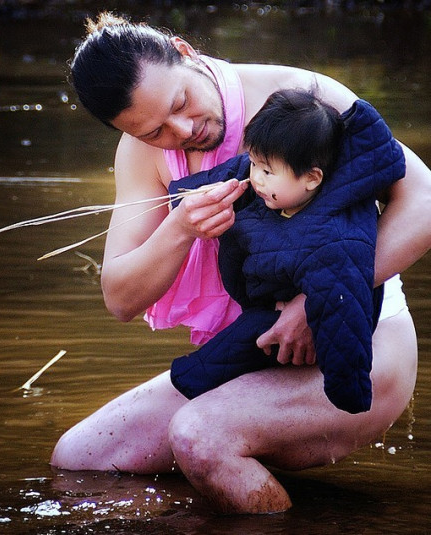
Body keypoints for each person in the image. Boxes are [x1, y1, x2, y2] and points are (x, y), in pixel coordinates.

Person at [51, 12, 429, 514]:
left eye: (181, 103)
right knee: (80, 460)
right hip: (249, 349)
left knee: (200, 437)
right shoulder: (141, 156)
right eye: (153, 132)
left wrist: (317, 300)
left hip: (363, 339)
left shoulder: (297, 95)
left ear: (184, 51)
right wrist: (180, 229)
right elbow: (119, 298)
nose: (183, 130)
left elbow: (424, 199)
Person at [168, 89, 405, 415]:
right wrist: (183, 197)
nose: (255, 178)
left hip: (305, 315)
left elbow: (344, 317)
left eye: (266, 171)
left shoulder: (335, 241)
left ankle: (190, 382)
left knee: (228, 352)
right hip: (266, 291)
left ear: (311, 178)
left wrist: (347, 387)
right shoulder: (268, 179)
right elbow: (223, 176)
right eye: (254, 163)